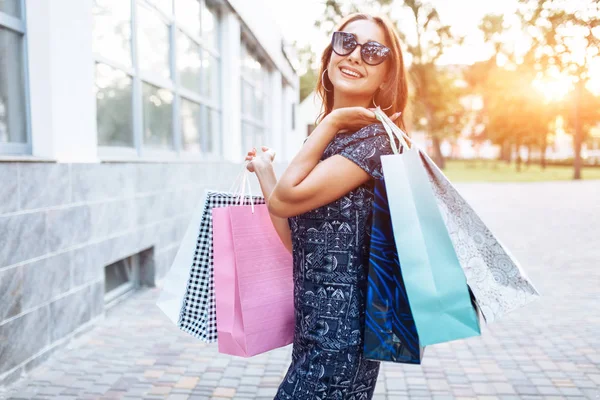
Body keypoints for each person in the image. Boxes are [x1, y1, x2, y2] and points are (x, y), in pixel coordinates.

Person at [245, 12, 409, 400]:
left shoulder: (374, 143)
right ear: (330, 54)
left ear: (386, 75)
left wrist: (331, 123)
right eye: (346, 43)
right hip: (314, 335)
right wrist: (266, 173)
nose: (355, 56)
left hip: (340, 345)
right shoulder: (335, 141)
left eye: (372, 51)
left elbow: (286, 199)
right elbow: (297, 240)